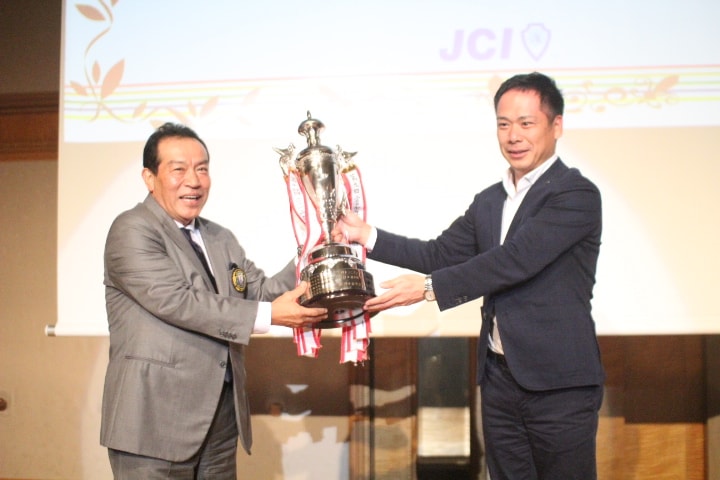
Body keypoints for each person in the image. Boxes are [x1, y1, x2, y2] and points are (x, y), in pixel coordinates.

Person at [333, 72, 604, 480]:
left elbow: (515, 260)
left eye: (526, 123)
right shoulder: (490, 201)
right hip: (499, 382)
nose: (513, 136)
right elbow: (439, 254)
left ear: (556, 126)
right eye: (503, 124)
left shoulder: (575, 194)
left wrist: (428, 289)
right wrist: (366, 235)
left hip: (559, 386)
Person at [100, 122, 328, 479]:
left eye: (202, 169)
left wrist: (315, 246)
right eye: (179, 169)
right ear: (149, 178)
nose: (194, 181)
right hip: (154, 421)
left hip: (219, 421)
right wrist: (270, 314)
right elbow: (179, 302)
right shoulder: (132, 229)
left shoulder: (220, 238)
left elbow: (259, 293)